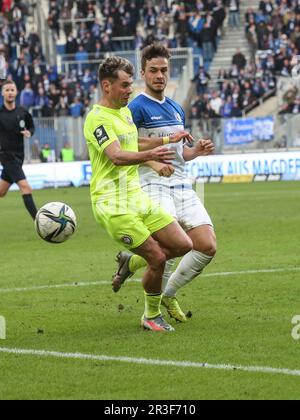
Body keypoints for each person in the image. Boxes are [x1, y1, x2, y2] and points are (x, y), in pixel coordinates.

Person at [84, 56, 194, 332]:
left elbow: (136, 140)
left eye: (130, 85)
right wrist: (151, 155)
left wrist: (169, 139)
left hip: (136, 197)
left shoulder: (124, 112)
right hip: (112, 204)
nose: (129, 91)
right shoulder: (97, 119)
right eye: (124, 86)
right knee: (157, 258)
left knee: (183, 244)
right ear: (106, 86)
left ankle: (129, 261)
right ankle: (151, 316)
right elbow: (117, 155)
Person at [112, 44, 217, 323]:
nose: (160, 75)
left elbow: (180, 155)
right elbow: (126, 144)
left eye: (164, 70)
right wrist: (157, 157)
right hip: (151, 184)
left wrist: (196, 152)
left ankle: (161, 287)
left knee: (206, 246)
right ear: (144, 72)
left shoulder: (175, 108)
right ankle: (152, 312)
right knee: (168, 245)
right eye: (154, 70)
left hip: (181, 184)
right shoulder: (135, 107)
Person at [0, 80, 38, 221]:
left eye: (12, 90)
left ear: (16, 92)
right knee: (26, 187)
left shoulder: (22, 112)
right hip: (6, 157)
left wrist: (29, 132)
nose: (10, 92)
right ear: (2, 93)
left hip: (19, 157)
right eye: (7, 90)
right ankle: (39, 222)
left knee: (2, 192)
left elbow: (31, 126)